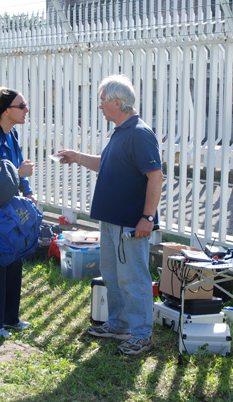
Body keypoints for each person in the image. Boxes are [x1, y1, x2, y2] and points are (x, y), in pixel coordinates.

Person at [58, 75, 163, 355]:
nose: (100, 106)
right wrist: (77, 156)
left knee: (133, 277)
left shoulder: (140, 133)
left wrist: (148, 218)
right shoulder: (121, 130)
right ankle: (119, 324)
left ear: (117, 102)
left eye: (103, 101)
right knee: (113, 275)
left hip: (129, 222)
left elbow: (155, 176)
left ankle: (141, 334)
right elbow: (107, 164)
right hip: (111, 220)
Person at [0, 87, 38, 338]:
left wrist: (28, 190)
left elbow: (18, 167)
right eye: (21, 106)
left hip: (11, 210)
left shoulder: (12, 136)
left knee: (14, 260)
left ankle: (10, 318)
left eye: (25, 105)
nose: (26, 110)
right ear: (4, 111)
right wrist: (17, 175)